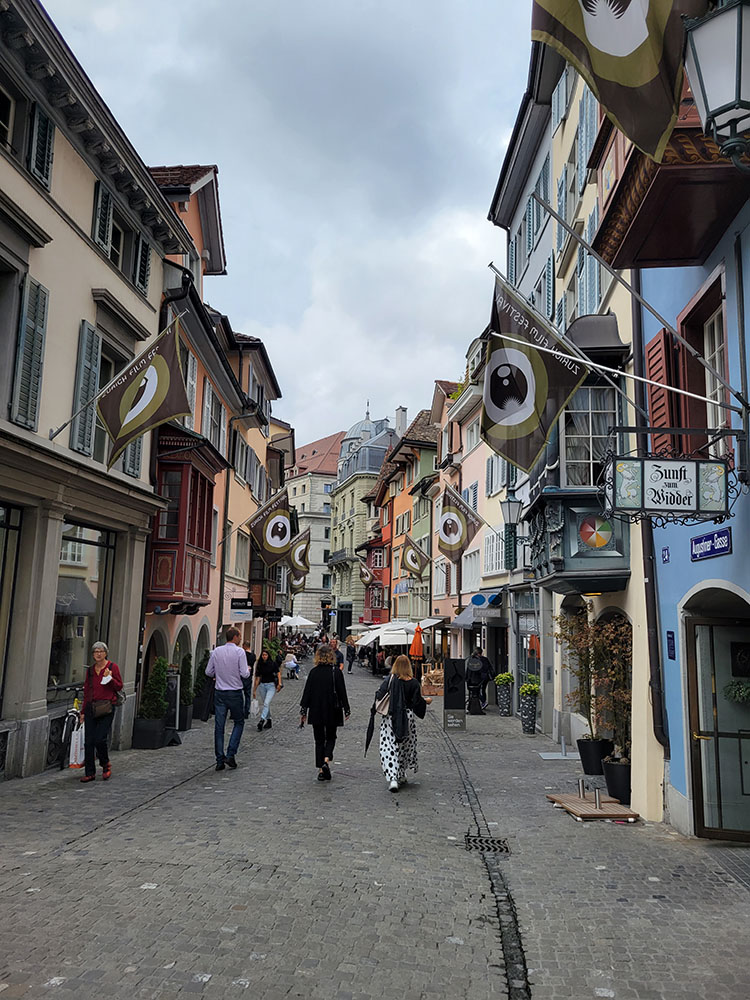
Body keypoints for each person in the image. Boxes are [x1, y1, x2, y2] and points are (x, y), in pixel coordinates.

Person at [369, 654, 431, 793]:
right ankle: (401, 773)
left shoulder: (390, 680)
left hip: (391, 717)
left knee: (389, 746)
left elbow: (379, 695)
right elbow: (416, 702)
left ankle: (393, 777)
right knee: (404, 746)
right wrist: (426, 701)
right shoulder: (414, 683)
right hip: (407, 717)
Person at [299, 644, 350, 781]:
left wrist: (303, 710)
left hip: (316, 709)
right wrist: (346, 709)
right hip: (333, 709)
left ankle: (321, 769)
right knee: (331, 736)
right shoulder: (336, 672)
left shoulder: (313, 672)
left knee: (319, 739)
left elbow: (307, 692)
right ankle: (326, 760)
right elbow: (342, 691)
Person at [206, 627, 250, 770]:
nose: (241, 639)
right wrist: (248, 670)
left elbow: (208, 671)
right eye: (240, 636)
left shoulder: (216, 651)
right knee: (239, 722)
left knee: (219, 727)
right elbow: (244, 674)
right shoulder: (239, 652)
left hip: (220, 692)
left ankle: (219, 759)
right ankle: (231, 754)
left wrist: (219, 674)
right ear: (235, 637)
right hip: (235, 692)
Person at [79, 641, 123, 783]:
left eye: (100, 651)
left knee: (100, 739)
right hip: (91, 707)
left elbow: (119, 686)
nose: (98, 654)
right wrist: (83, 711)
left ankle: (105, 764)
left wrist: (110, 678)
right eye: (95, 652)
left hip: (106, 707)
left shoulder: (112, 667)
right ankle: (90, 772)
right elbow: (87, 690)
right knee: (89, 741)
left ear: (105, 653)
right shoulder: (91, 671)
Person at [253, 648, 281, 731]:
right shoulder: (260, 664)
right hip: (262, 686)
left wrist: (279, 683)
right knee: (266, 704)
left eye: (265, 655)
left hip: (271, 686)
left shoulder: (273, 664)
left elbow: (278, 673)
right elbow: (257, 678)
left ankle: (262, 720)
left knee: (266, 703)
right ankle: (269, 720)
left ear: (268, 655)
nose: (264, 656)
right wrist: (254, 689)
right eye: (263, 655)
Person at [242, 641, 256, 719]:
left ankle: (239, 711)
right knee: (247, 695)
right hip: (250, 676)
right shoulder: (253, 656)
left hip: (242, 676)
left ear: (244, 646)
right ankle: (246, 711)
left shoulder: (243, 654)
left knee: (239, 694)